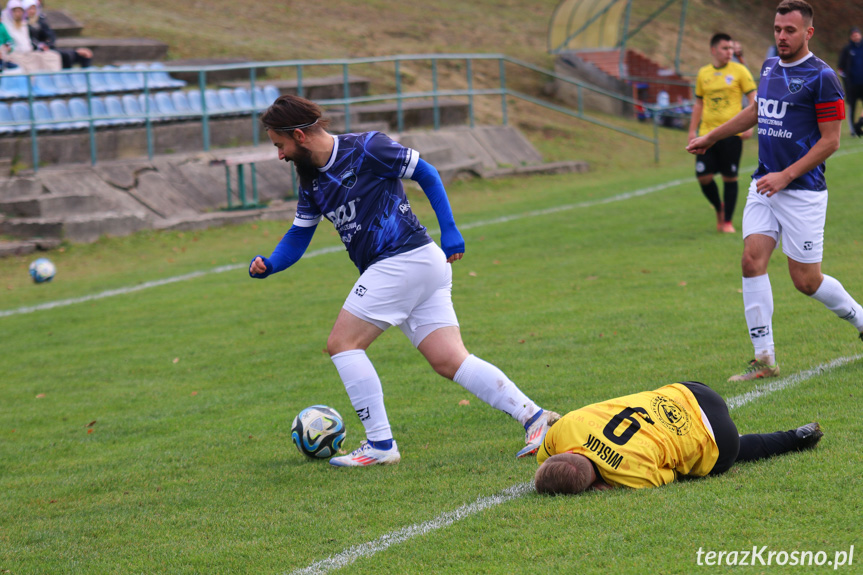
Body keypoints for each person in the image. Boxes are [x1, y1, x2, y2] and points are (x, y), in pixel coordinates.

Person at [248, 94, 559, 467]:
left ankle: (380, 445)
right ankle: (535, 417)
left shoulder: (367, 147)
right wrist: (271, 263)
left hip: (403, 259)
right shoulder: (312, 182)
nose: (279, 155)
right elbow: (299, 235)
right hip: (414, 268)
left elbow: (427, 172)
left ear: (298, 135)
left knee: (343, 344)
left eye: (279, 145)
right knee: (449, 360)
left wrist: (451, 231)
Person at [687, 0, 863, 382]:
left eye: (790, 30)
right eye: (778, 29)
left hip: (802, 191)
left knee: (806, 281)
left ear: (808, 33)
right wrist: (711, 137)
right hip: (764, 183)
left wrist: (786, 176)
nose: (781, 36)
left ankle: (861, 320)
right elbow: (756, 111)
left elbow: (831, 141)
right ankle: (764, 359)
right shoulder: (767, 67)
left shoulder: (823, 77)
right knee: (752, 261)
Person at [532, 381, 823, 494]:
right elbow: (546, 458)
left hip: (721, 438)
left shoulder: (631, 476)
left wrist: (606, 481)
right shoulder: (565, 427)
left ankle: (791, 439)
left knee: (693, 464)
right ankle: (797, 435)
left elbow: (672, 474)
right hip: (691, 391)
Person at [688, 33, 757, 233]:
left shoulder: (740, 71)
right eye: (725, 48)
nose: (730, 52)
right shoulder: (703, 73)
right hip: (706, 134)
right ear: (713, 50)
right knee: (703, 176)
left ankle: (727, 222)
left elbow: (753, 97)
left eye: (731, 48)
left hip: (731, 135)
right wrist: (692, 130)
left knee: (730, 177)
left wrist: (749, 125)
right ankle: (719, 208)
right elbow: (699, 102)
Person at [24, 0, 91, 69]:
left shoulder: (40, 20)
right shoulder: (24, 23)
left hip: (48, 48)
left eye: (34, 8)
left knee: (86, 53)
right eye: (30, 9)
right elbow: (29, 40)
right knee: (66, 56)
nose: (32, 11)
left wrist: (47, 44)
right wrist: (40, 46)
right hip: (38, 51)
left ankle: (87, 77)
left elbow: (50, 35)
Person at [0, 0, 59, 72]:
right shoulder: (5, 26)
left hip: (27, 53)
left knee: (51, 56)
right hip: (14, 54)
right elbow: (8, 42)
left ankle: (50, 79)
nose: (18, 14)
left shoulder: (23, 24)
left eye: (20, 11)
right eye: (16, 11)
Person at [837, 26, 863, 137]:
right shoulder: (847, 49)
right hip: (852, 85)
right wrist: (846, 80)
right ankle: (853, 130)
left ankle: (859, 125)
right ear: (851, 37)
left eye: (857, 34)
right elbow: (840, 68)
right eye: (853, 35)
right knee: (852, 107)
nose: (856, 36)